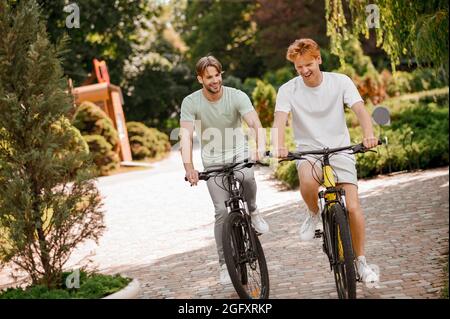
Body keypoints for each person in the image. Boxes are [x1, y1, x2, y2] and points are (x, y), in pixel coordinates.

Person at [272, 38, 379, 283]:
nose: (304, 70)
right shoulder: (288, 89)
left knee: (352, 207)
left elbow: (360, 110)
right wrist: (278, 145)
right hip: (309, 152)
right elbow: (279, 121)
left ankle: (361, 263)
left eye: (308, 64)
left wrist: (369, 135)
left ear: (319, 59)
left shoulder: (340, 81)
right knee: (308, 183)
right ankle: (313, 213)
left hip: (340, 150)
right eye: (299, 67)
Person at [179, 55, 269, 285]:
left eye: (217, 75)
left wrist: (259, 149)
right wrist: (189, 167)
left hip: (238, 152)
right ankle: (223, 265)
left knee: (247, 176)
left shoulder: (237, 96)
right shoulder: (191, 102)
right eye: (209, 77)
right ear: (200, 79)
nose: (214, 80)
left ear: (221, 74)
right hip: (212, 161)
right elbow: (186, 135)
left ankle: (254, 210)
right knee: (221, 211)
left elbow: (255, 125)